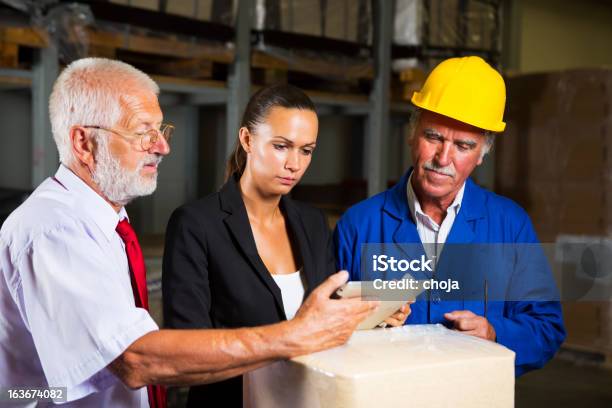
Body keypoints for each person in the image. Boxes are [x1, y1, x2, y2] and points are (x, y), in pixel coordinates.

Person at [0, 58, 379, 407]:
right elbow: (135, 358)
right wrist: (292, 335)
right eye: (142, 133)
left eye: (161, 129)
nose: (163, 146)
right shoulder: (56, 229)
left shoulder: (104, 222)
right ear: (83, 142)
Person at [162, 84, 411, 407]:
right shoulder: (196, 224)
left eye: (306, 150)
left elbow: (326, 324)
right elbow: (185, 352)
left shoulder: (312, 223)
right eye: (281, 146)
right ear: (247, 140)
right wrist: (289, 336)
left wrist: (372, 318)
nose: (294, 164)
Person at [334, 56, 566, 376]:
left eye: (463, 145)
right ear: (412, 134)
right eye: (434, 137)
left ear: (482, 153)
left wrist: (495, 333)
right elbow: (323, 329)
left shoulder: (510, 226)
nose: (443, 158)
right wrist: (362, 324)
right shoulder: (359, 225)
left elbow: (547, 328)